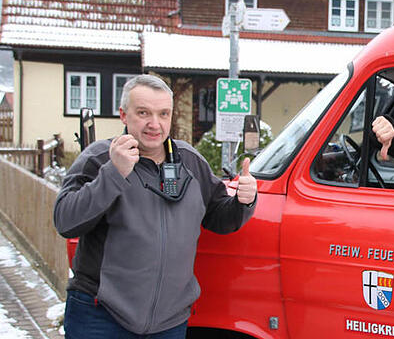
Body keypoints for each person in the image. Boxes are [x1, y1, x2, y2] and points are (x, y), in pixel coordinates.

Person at [54, 74, 256, 338]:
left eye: (163, 114)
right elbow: (66, 221)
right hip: (100, 316)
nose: (154, 124)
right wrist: (113, 174)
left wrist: (244, 200)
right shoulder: (98, 159)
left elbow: (220, 216)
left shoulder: (190, 162)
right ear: (123, 115)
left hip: (168, 323)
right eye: (143, 113)